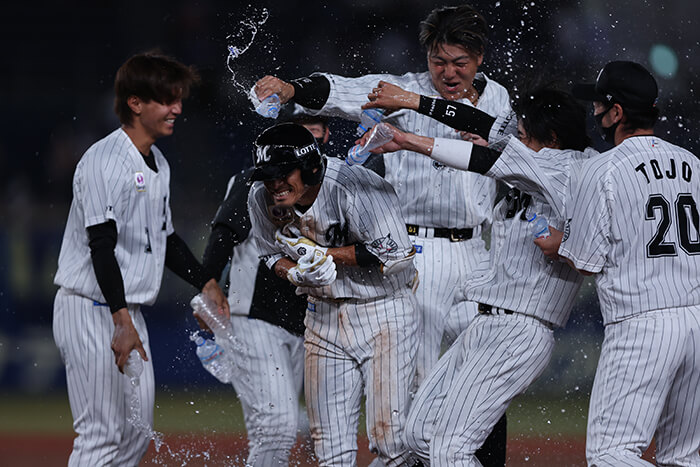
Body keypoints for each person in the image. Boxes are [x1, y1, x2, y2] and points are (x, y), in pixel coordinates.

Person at [253, 6, 511, 463]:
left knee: (487, 368)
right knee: (421, 391)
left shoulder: (500, 100)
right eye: (439, 61)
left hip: (476, 251)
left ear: (481, 57)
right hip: (414, 251)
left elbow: (509, 145)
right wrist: (293, 88)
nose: (448, 72)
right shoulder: (403, 89)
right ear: (426, 56)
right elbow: (340, 92)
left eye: (460, 62)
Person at [361, 83, 597, 465]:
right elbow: (484, 126)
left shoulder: (569, 167)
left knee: (450, 449)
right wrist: (414, 105)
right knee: (420, 435)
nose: (514, 140)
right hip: (486, 323)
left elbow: (480, 158)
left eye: (523, 135)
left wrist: (407, 138)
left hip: (521, 329)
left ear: (552, 139)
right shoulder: (539, 158)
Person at [52, 52, 229, 466]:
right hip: (91, 308)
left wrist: (205, 281)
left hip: (125, 309)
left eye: (179, 99)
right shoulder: (103, 162)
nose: (177, 109)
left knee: (134, 436)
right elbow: (101, 246)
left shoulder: (158, 164)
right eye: (167, 99)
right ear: (135, 103)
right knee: (100, 435)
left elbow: (164, 238)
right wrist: (120, 320)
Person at [535, 61, 700, 467]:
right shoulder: (693, 164)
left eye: (598, 104)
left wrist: (560, 243)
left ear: (617, 113)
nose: (594, 113)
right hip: (696, 319)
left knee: (610, 455)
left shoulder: (601, 169)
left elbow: (586, 262)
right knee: (684, 457)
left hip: (641, 323)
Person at [247, 122, 420, 466]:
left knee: (392, 440)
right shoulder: (260, 197)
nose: (275, 184)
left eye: (283, 174)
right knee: (330, 447)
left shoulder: (355, 186)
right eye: (268, 175)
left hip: (384, 313)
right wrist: (293, 270)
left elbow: (397, 253)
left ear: (310, 167)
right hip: (322, 316)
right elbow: (268, 254)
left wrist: (325, 255)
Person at [200, 116, 330, 466]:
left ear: (325, 136)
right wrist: (208, 280)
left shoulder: (332, 185)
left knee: (282, 430)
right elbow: (225, 231)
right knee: (276, 426)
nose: (308, 137)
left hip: (303, 324)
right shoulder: (254, 182)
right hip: (252, 315)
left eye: (314, 131)